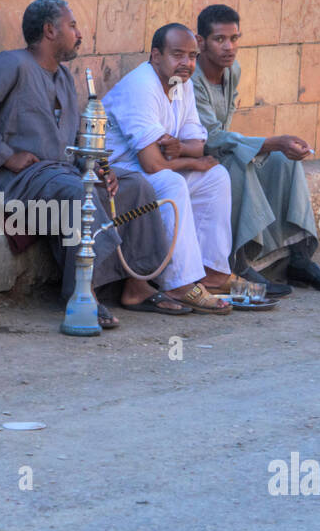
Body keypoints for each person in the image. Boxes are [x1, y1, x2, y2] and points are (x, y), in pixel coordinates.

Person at [0, 0, 186, 327]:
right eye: (72, 26)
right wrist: (5, 155)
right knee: (79, 195)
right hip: (18, 181)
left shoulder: (63, 77)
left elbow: (75, 140)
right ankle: (83, 294)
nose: (79, 33)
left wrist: (101, 168)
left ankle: (137, 285)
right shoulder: (11, 64)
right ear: (49, 30)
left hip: (61, 175)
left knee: (136, 187)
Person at [192, 4, 320, 295]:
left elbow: (225, 138)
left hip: (220, 152)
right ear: (200, 42)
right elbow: (211, 139)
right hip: (193, 161)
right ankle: (237, 264)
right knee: (240, 164)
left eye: (234, 39)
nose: (229, 47)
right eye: (219, 40)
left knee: (283, 161)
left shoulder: (232, 70)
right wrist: (270, 142)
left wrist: (275, 147)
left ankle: (297, 259)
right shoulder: (192, 79)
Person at [101, 23, 236, 316]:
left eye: (192, 56)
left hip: (153, 170)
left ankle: (211, 272)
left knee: (215, 177)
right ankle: (178, 283)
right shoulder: (141, 86)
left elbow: (199, 143)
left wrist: (183, 150)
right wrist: (191, 161)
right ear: (156, 55)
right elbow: (153, 164)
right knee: (172, 182)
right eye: (178, 55)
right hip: (119, 177)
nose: (187, 64)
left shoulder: (182, 84)